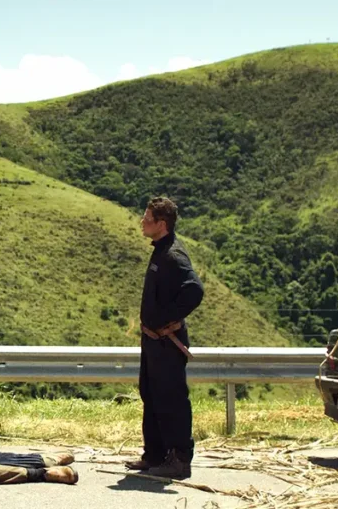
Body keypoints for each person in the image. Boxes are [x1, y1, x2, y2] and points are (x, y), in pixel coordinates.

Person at [125, 196, 204, 479]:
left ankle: (180, 460)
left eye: (147, 219)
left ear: (162, 224)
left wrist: (168, 319)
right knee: (152, 394)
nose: (142, 223)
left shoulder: (173, 255)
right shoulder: (161, 250)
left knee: (171, 399)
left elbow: (194, 290)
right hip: (152, 341)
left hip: (166, 342)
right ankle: (155, 454)